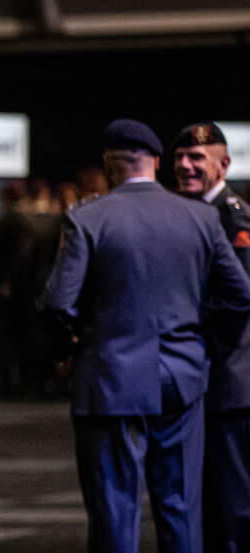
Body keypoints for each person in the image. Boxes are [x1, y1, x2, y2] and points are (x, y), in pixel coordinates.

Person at [39, 118, 250, 553]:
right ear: (156, 162)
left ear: (108, 164)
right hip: (182, 379)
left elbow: (58, 303)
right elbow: (241, 295)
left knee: (115, 510)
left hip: (111, 380)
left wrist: (66, 352)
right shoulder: (200, 218)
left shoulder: (87, 218)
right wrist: (200, 346)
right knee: (180, 507)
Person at [172, 121, 250, 553]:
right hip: (206, 377)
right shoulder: (191, 211)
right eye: (181, 157)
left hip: (226, 377)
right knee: (207, 498)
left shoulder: (231, 216)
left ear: (224, 164)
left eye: (197, 158)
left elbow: (239, 300)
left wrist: (193, 345)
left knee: (232, 498)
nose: (186, 166)